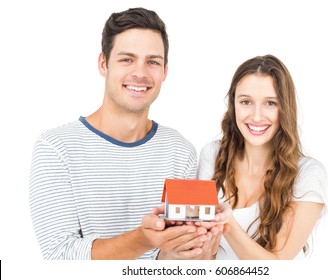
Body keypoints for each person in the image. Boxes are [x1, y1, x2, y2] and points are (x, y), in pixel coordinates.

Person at [29, 7, 221, 260]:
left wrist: (199, 251)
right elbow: (59, 257)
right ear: (103, 63)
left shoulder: (179, 150)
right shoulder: (56, 148)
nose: (140, 73)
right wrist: (143, 238)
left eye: (152, 61)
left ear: (165, 71)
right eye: (127, 59)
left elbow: (167, 262)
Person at [197, 55, 328, 259]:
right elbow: (203, 256)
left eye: (270, 103)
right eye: (246, 102)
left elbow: (276, 267)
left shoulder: (308, 173)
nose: (257, 116)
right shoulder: (212, 155)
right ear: (233, 105)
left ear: (285, 108)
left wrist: (227, 222)